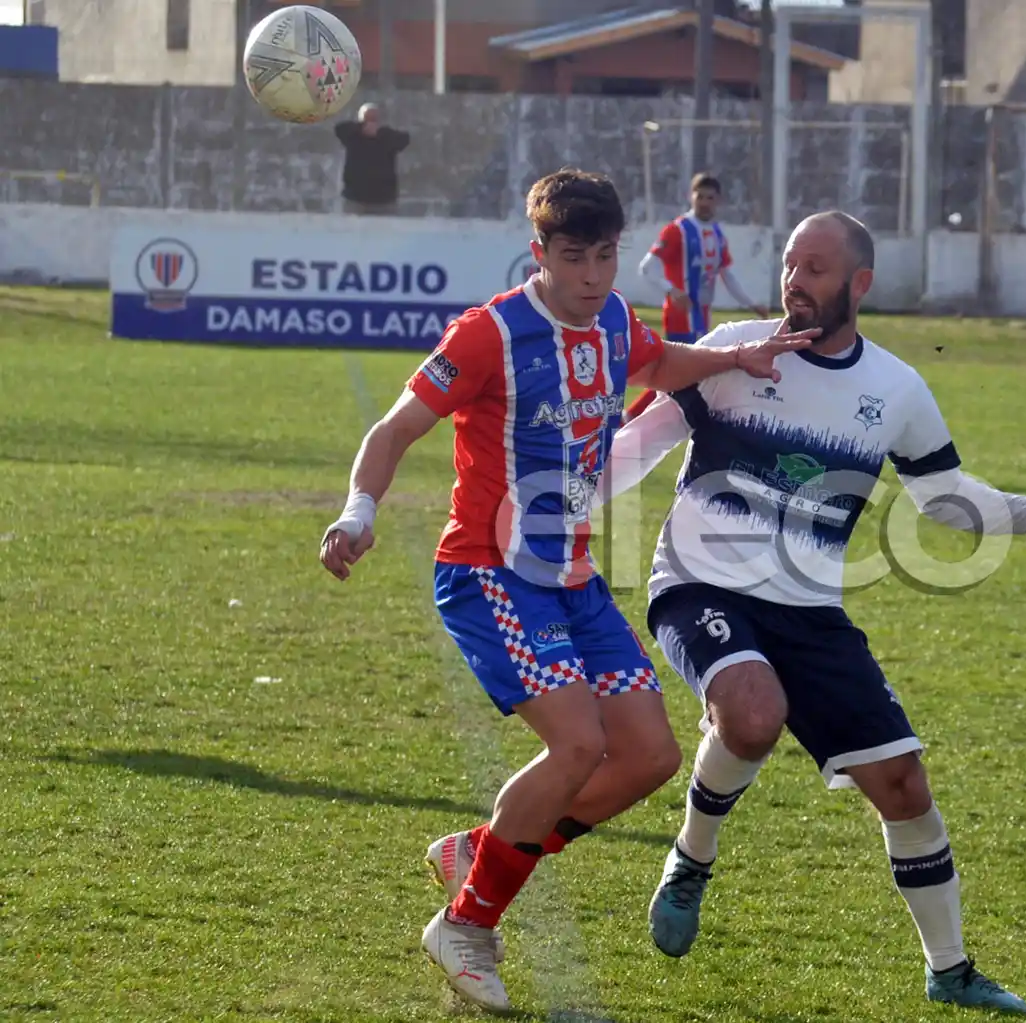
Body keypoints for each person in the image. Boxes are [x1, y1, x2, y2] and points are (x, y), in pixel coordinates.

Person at [317, 168, 817, 1014]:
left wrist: (737, 356)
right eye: (575, 257)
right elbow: (395, 425)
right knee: (579, 746)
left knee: (651, 755)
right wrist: (359, 510)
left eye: (606, 256)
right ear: (540, 253)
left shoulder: (617, 319)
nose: (593, 275)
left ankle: (481, 849)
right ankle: (467, 921)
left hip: (573, 579)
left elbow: (660, 361)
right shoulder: (490, 333)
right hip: (489, 572)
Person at [597, 211, 1026, 1015]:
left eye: (817, 269)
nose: (796, 281)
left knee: (903, 783)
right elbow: (640, 440)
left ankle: (950, 969)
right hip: (701, 586)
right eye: (790, 265)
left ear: (859, 284)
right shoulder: (736, 348)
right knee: (754, 710)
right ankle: (693, 857)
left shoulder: (897, 388)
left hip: (809, 609)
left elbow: (945, 498)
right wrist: (552, 512)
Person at [629, 172, 769, 419]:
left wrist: (751, 303)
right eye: (700, 196)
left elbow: (727, 275)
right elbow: (646, 268)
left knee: (686, 373)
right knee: (678, 372)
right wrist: (672, 290)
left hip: (702, 315)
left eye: (710, 197)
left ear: (718, 201)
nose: (704, 201)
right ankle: (635, 416)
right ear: (690, 197)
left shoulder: (716, 234)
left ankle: (653, 416)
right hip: (680, 314)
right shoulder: (677, 230)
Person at [334, 103, 410, 215]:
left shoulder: (387, 137)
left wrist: (380, 132)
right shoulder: (353, 135)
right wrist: (361, 128)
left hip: (383, 200)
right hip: (355, 198)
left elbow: (404, 140)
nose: (371, 123)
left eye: (374, 119)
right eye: (367, 118)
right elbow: (339, 129)